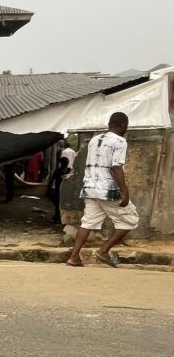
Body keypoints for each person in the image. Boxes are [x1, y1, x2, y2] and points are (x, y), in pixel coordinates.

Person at [67, 112, 138, 268]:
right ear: (122, 125)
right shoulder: (120, 141)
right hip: (108, 190)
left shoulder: (94, 140)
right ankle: (103, 251)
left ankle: (74, 257)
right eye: (126, 127)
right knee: (131, 220)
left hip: (90, 188)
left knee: (88, 222)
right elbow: (116, 167)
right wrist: (125, 191)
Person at [48, 157, 71, 223]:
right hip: (63, 191)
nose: (59, 164)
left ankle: (58, 217)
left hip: (59, 191)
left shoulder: (58, 171)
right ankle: (59, 216)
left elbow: (52, 180)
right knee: (60, 204)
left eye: (60, 163)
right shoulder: (68, 170)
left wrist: (50, 189)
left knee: (58, 204)